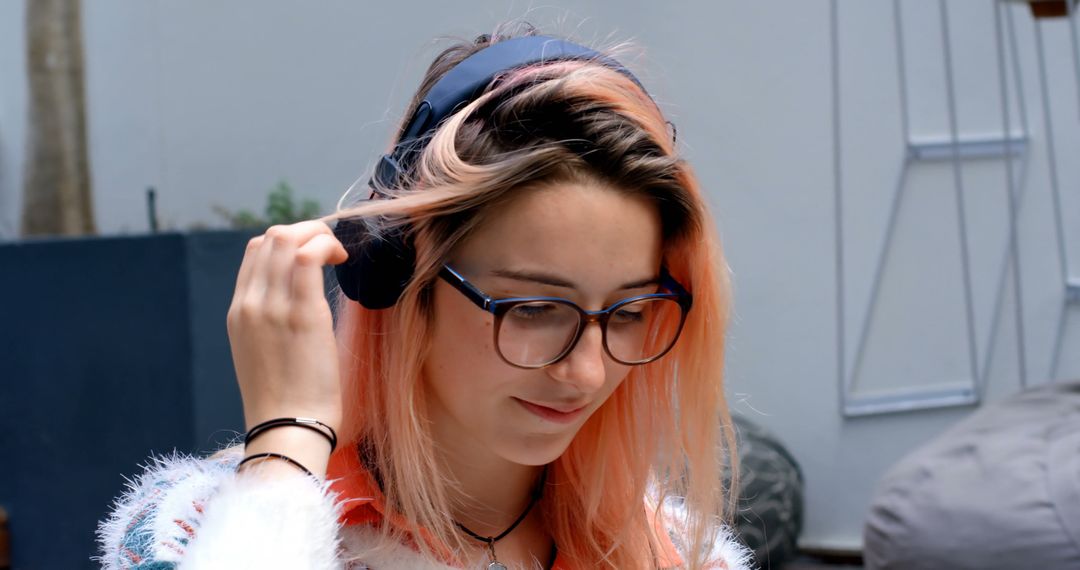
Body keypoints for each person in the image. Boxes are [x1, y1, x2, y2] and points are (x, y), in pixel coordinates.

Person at [97, 26, 753, 570]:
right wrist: (284, 451)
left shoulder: (675, 553)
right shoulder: (201, 532)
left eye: (629, 313)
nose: (586, 371)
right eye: (532, 310)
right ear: (401, 277)